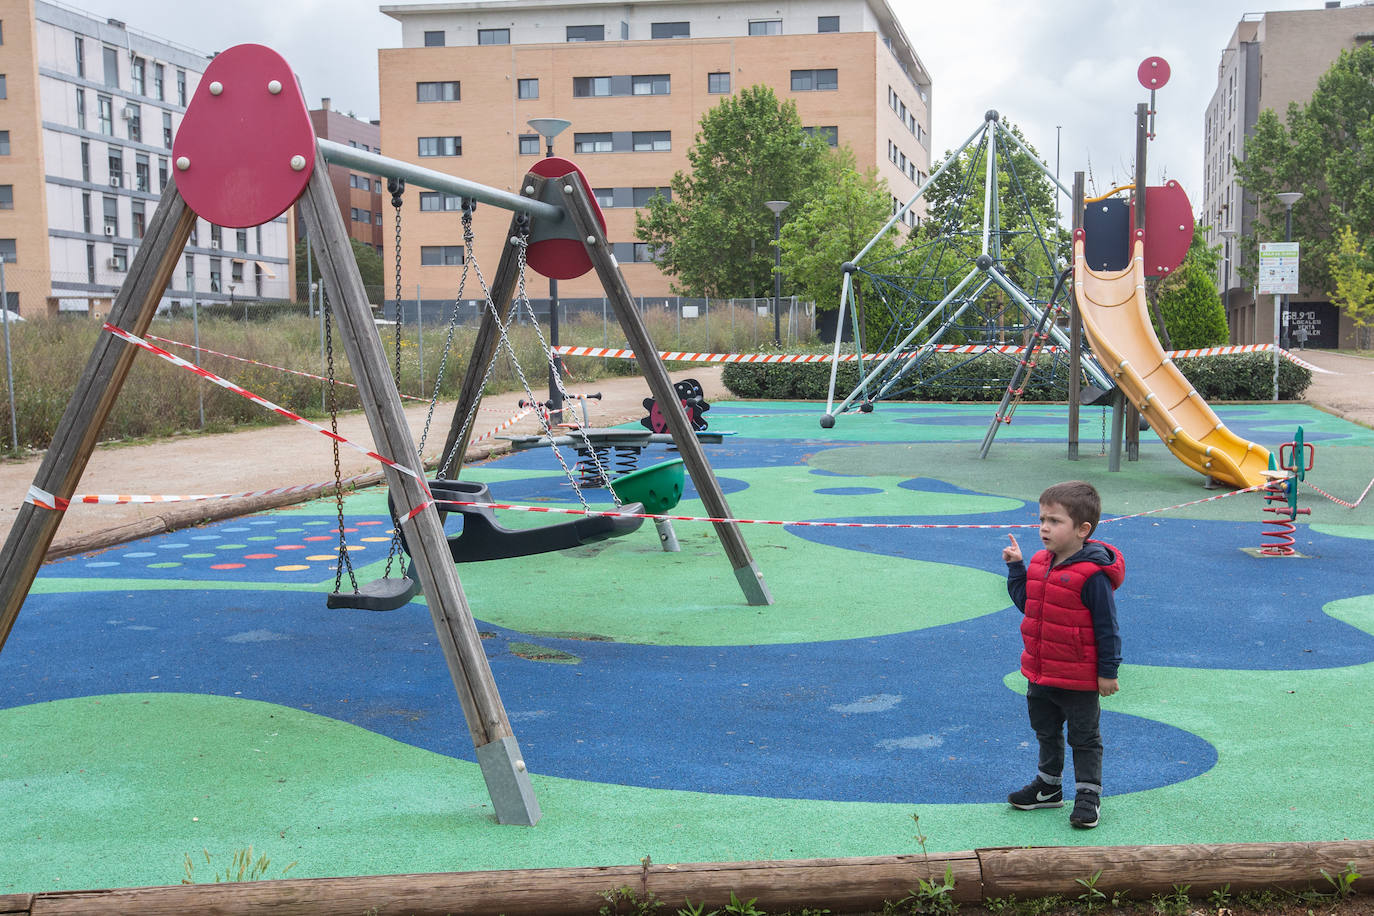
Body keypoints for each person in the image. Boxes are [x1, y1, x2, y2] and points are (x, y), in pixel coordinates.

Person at [1001, 480, 1123, 829]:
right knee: (1045, 729)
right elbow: (1029, 604)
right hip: (1040, 670)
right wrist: (1017, 569)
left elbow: (1107, 627)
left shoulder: (1093, 575)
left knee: (1084, 737)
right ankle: (1048, 788)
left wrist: (1107, 671)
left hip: (1077, 676)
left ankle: (1088, 795)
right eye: (1041, 519)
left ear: (1082, 530)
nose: (1043, 527)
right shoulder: (1040, 563)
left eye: (1055, 521)